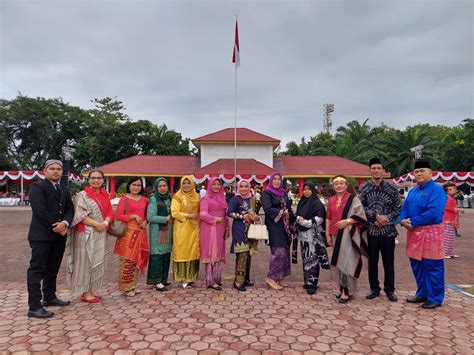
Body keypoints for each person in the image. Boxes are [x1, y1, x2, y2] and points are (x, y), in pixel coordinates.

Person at [26, 160, 74, 318]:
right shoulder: (38, 187)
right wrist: (58, 225)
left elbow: (69, 210)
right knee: (37, 269)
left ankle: (49, 297)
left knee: (52, 268)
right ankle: (34, 306)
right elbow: (40, 210)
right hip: (42, 236)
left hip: (58, 236)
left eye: (59, 169)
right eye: (52, 169)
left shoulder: (64, 189)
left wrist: (65, 223)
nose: (56, 171)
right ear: (45, 171)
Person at [400, 159, 447, 309]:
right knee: (417, 265)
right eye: (416, 171)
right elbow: (404, 209)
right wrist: (402, 220)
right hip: (413, 233)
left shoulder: (436, 190)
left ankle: (435, 297)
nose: (419, 173)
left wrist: (412, 221)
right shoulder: (413, 191)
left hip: (431, 232)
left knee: (433, 265)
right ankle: (422, 293)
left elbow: (434, 213)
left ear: (430, 173)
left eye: (422, 171)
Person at [66, 169, 114, 303]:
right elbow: (79, 215)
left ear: (103, 180)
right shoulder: (82, 195)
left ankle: (91, 289)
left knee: (97, 260)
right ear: (89, 179)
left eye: (99, 178)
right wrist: (96, 224)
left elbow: (110, 212)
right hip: (86, 233)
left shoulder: (105, 195)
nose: (96, 180)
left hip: (101, 232)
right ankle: (86, 292)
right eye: (93, 178)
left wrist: (105, 223)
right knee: (86, 261)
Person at [358, 158, 402, 302]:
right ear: (370, 170)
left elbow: (398, 208)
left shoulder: (392, 188)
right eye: (373, 168)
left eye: (379, 168)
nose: (376, 171)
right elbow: (360, 208)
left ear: (383, 170)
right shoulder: (364, 188)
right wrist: (376, 216)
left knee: (389, 261)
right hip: (371, 231)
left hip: (388, 231)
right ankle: (374, 288)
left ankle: (390, 289)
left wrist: (386, 218)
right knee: (372, 262)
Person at [326, 175, 368, 304]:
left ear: (346, 185)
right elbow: (328, 218)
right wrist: (327, 234)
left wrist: (348, 221)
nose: (338, 185)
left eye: (341, 183)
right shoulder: (331, 200)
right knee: (339, 262)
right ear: (333, 186)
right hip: (334, 234)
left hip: (348, 235)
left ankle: (347, 291)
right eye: (336, 183)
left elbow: (361, 216)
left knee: (347, 262)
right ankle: (343, 289)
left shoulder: (353, 199)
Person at [114, 177, 149, 297]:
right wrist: (133, 216)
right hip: (128, 234)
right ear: (129, 186)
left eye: (138, 185)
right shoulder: (124, 199)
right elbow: (118, 216)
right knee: (128, 260)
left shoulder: (145, 200)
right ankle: (126, 287)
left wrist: (145, 221)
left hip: (141, 233)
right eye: (133, 185)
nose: (136, 187)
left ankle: (133, 285)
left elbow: (146, 215)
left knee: (137, 259)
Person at [261, 172, 295, 290]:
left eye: (278, 179)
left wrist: (290, 214)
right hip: (274, 226)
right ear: (270, 181)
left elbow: (289, 207)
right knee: (278, 251)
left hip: (285, 227)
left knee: (285, 251)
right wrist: (282, 213)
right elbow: (267, 209)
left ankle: (279, 277)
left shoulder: (283, 193)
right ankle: (270, 277)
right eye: (274, 179)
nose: (276, 181)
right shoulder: (266, 193)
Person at [295, 181, 330, 295]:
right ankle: (307, 281)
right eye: (304, 189)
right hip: (303, 235)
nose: (306, 191)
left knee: (313, 259)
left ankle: (313, 283)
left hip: (312, 235)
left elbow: (319, 218)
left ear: (313, 190)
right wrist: (297, 218)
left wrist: (305, 222)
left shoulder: (317, 203)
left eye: (308, 189)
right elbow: (297, 215)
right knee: (306, 258)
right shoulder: (302, 202)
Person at [228, 179, 259, 291]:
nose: (244, 189)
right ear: (238, 187)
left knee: (248, 254)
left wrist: (256, 217)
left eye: (246, 186)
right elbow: (229, 212)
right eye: (241, 186)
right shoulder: (235, 199)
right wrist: (242, 216)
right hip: (239, 229)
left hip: (250, 230)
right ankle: (238, 282)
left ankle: (246, 278)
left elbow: (255, 214)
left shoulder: (252, 199)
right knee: (242, 254)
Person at [171, 175, 200, 288]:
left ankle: (191, 277)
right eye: (184, 183)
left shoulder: (197, 196)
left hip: (194, 228)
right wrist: (188, 215)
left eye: (189, 183)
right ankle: (183, 277)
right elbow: (174, 212)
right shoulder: (177, 196)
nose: (186, 185)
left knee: (193, 251)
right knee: (183, 251)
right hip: (182, 228)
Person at [200, 177, 229, 290]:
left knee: (218, 252)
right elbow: (202, 214)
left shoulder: (222, 198)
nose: (216, 186)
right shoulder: (205, 198)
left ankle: (216, 278)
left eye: (218, 184)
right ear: (210, 185)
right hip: (209, 229)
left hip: (220, 228)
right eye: (214, 184)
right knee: (211, 252)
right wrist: (216, 219)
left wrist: (227, 228)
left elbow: (225, 216)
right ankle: (210, 280)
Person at [147, 177, 173, 291]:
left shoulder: (169, 199)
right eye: (160, 186)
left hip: (168, 232)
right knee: (157, 255)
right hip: (157, 232)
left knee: (166, 255)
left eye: (164, 186)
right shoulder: (153, 199)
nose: (162, 188)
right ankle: (156, 281)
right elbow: (150, 217)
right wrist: (166, 218)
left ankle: (163, 279)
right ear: (156, 188)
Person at [442, 183, 459, 259]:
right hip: (447, 220)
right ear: (448, 191)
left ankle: (450, 252)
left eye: (454, 189)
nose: (455, 190)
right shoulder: (446, 198)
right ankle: (445, 252)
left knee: (451, 237)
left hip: (451, 220)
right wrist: (457, 209)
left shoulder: (451, 198)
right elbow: (447, 207)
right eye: (452, 189)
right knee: (447, 237)